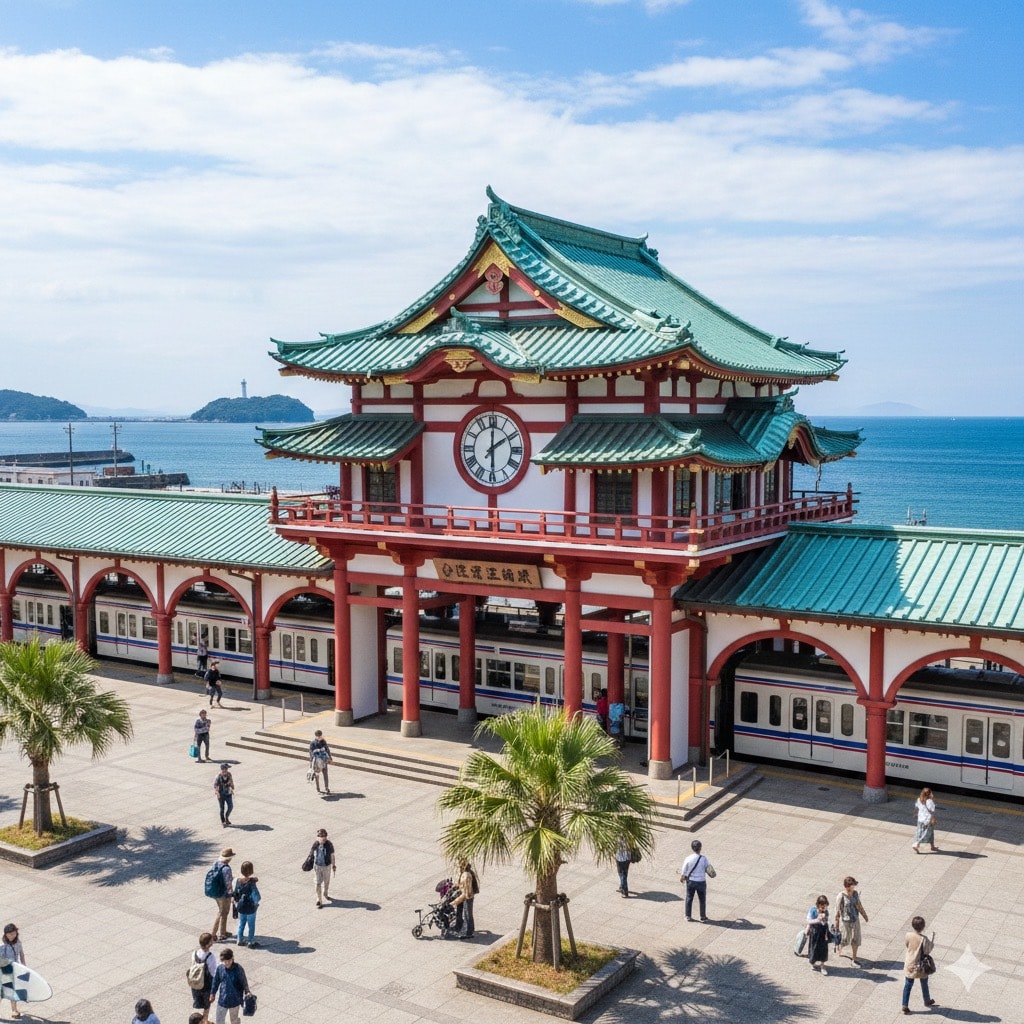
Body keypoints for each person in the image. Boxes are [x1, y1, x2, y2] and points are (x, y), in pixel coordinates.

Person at [902, 915, 937, 1014]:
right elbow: (927, 951)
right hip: (920, 965)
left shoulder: (908, 935)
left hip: (909, 963)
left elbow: (907, 945)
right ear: (923, 927)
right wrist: (932, 940)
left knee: (908, 985)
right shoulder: (924, 939)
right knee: (924, 982)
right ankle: (927, 1000)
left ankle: (905, 1004)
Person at [835, 875, 869, 967]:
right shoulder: (841, 896)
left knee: (856, 938)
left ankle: (854, 957)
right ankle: (840, 947)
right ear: (846, 886)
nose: (853, 888)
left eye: (854, 886)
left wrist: (864, 915)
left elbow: (859, 905)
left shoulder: (855, 893)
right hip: (846, 921)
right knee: (845, 938)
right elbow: (837, 911)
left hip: (855, 920)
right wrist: (836, 925)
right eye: (851, 886)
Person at [209, 948, 251, 1024]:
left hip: (235, 1000)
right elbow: (215, 981)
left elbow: (244, 981)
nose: (227, 963)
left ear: (232, 958)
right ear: (222, 961)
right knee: (219, 1020)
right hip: (223, 1000)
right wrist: (212, 993)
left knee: (234, 1020)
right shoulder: (220, 968)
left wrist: (247, 992)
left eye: (229, 960)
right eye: (225, 961)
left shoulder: (238, 969)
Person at [680, 839, 714, 922]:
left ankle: (688, 916)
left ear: (692, 848)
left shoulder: (688, 858)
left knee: (689, 898)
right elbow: (708, 868)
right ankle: (702, 916)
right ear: (700, 848)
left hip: (691, 881)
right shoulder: (704, 858)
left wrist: (682, 877)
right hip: (701, 881)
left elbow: (684, 870)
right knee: (702, 899)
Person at [188, 932, 216, 1024]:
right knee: (207, 1005)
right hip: (206, 985)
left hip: (196, 983)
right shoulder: (210, 957)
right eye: (211, 940)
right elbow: (213, 972)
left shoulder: (194, 953)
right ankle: (204, 1021)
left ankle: (201, 1021)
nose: (212, 941)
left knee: (200, 1001)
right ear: (208, 944)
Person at [208, 848, 235, 941]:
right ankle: (216, 934)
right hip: (223, 894)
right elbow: (228, 884)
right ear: (229, 858)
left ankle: (223, 931)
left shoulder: (216, 863)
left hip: (215, 892)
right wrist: (232, 894)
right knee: (223, 912)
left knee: (222, 911)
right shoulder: (226, 868)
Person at [233, 861, 261, 948]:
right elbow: (256, 895)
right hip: (250, 907)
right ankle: (251, 941)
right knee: (251, 925)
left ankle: (239, 939)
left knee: (241, 923)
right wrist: (256, 903)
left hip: (241, 906)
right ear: (251, 871)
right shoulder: (251, 883)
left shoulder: (238, 881)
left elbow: (235, 893)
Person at [0, 923, 26, 1020]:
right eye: (10, 934)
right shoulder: (3, 945)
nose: (12, 935)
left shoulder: (18, 942)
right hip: (6, 971)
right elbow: (1, 960)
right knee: (3, 992)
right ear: (6, 934)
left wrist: (24, 967)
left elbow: (22, 954)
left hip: (16, 969)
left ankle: (14, 1010)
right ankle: (14, 1010)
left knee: (12, 991)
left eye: (13, 933)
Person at [310, 828, 336, 908]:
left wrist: (333, 865)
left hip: (327, 866)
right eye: (321, 837)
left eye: (324, 836)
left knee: (326, 882)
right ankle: (319, 899)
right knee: (317, 883)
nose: (323, 838)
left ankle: (325, 892)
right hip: (317, 866)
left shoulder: (329, 844)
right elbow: (311, 854)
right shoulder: (316, 844)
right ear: (318, 837)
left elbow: (332, 855)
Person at [452, 858, 477, 939]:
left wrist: (455, 901)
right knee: (460, 911)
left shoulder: (466, 875)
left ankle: (468, 932)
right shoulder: (465, 873)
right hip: (464, 894)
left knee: (467, 914)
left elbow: (466, 893)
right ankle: (459, 925)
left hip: (467, 896)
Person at [806, 895, 831, 975]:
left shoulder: (826, 911)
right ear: (818, 904)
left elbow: (826, 922)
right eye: (821, 906)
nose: (823, 907)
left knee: (823, 949)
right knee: (814, 948)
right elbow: (809, 921)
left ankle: (822, 966)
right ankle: (812, 962)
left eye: (825, 905)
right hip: (815, 932)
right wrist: (818, 919)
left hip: (823, 932)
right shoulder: (813, 910)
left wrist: (825, 918)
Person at [912, 787, 938, 853]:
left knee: (920, 832)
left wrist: (915, 813)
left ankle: (929, 845)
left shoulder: (919, 799)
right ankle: (917, 844)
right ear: (929, 794)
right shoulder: (930, 801)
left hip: (920, 819)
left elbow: (917, 807)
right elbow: (932, 810)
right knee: (929, 832)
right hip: (928, 820)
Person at [308, 729, 333, 795]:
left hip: (324, 761)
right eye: (318, 736)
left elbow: (327, 749)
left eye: (320, 736)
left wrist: (330, 758)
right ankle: (318, 788)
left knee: (325, 774)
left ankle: (326, 788)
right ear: (315, 736)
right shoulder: (313, 743)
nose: (319, 737)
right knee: (317, 775)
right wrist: (312, 758)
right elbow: (310, 751)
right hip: (317, 762)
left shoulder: (323, 741)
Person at [214, 763, 234, 827]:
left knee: (230, 807)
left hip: (228, 794)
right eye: (226, 768)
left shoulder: (229, 774)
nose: (227, 770)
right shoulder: (218, 776)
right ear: (223, 769)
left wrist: (232, 787)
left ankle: (226, 817)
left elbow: (231, 781)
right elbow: (215, 786)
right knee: (222, 809)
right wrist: (217, 793)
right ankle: (223, 822)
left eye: (227, 768)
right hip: (221, 795)